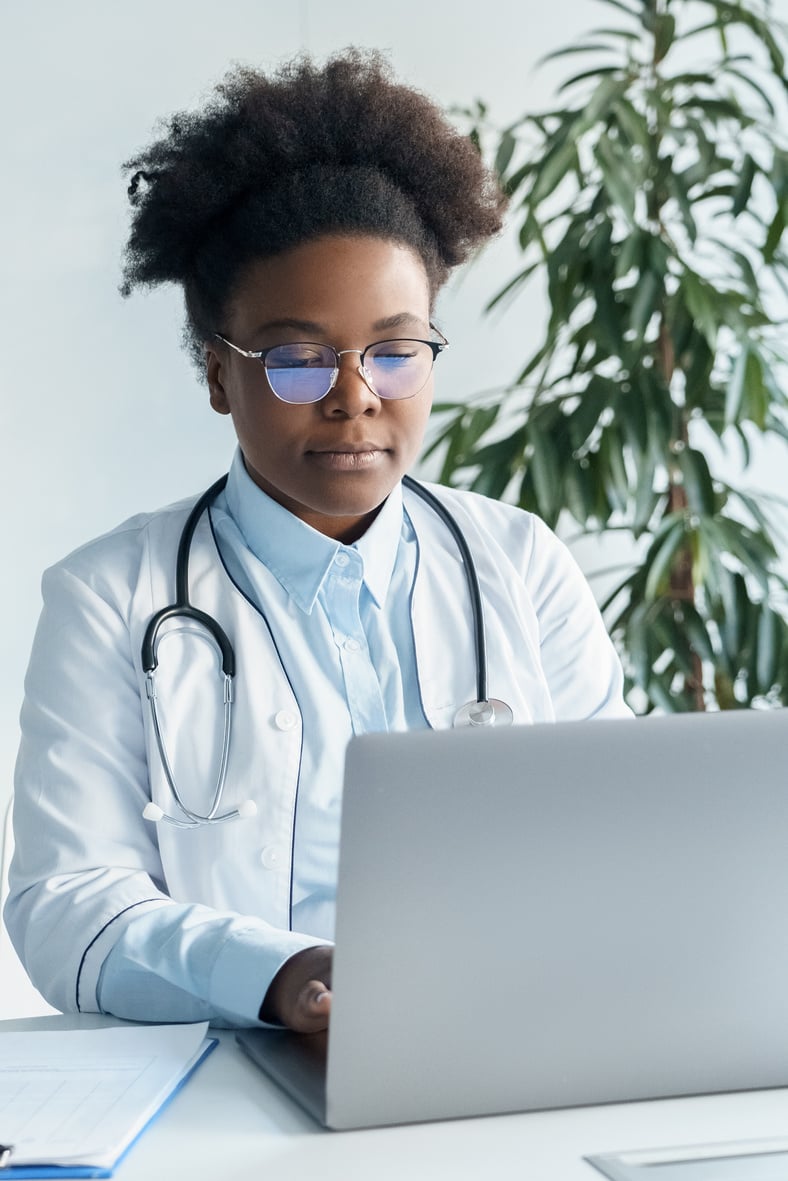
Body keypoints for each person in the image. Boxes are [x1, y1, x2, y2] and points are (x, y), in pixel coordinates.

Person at [5, 51, 630, 1033]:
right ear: (218, 373)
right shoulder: (108, 598)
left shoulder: (519, 564)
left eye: (394, 350)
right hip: (234, 1064)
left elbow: (623, 844)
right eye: (297, 358)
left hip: (507, 1043)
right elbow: (66, 906)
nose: (355, 394)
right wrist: (278, 973)